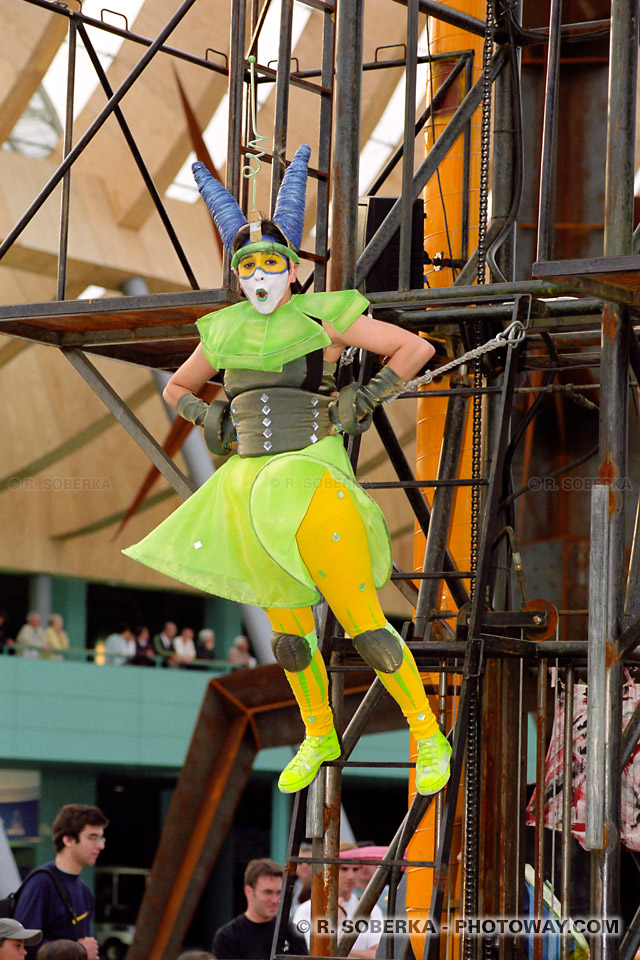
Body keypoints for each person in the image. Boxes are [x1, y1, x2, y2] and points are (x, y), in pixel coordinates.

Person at [123, 145, 451, 797]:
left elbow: (415, 347)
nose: (260, 273)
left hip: (308, 475)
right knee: (290, 631)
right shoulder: (222, 330)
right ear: (238, 271)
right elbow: (174, 388)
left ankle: (427, 733)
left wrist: (367, 395)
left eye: (270, 261)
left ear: (292, 266)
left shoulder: (324, 313)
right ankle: (316, 731)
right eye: (247, 264)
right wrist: (205, 415)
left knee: (362, 622)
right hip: (248, 488)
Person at [14, 804, 108, 960]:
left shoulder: (84, 890)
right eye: (93, 838)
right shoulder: (41, 883)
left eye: (101, 838)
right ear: (68, 840)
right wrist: (78, 951)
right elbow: (23, 944)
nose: (101, 845)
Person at [293, 843, 383, 958]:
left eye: (355, 869)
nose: (350, 876)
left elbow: (378, 954)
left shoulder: (372, 910)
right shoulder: (307, 909)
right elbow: (309, 952)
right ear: (330, 870)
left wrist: (338, 949)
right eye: (344, 869)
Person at [212, 859, 307, 960]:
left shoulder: (292, 932)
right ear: (249, 892)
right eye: (267, 892)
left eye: (279, 893)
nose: (275, 900)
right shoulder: (228, 937)